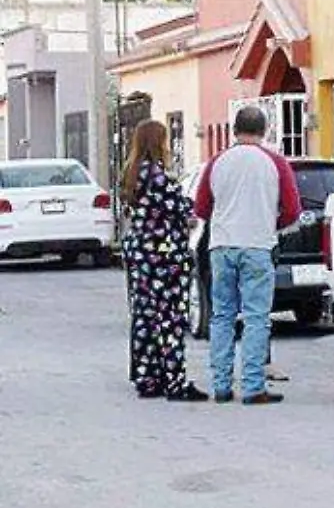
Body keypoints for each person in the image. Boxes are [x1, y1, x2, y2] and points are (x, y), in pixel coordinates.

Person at [195, 106, 301, 405]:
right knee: (256, 317)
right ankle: (253, 385)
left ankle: (221, 384)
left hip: (222, 246)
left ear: (233, 130)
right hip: (257, 245)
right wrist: (270, 222)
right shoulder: (275, 163)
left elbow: (202, 207)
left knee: (222, 316)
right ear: (265, 130)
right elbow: (293, 209)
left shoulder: (218, 162)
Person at [120, 120, 209, 402]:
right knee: (170, 317)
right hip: (163, 255)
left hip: (140, 253)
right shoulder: (157, 176)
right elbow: (180, 207)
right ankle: (175, 382)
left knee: (145, 316)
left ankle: (148, 377)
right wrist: (188, 213)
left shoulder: (131, 174)